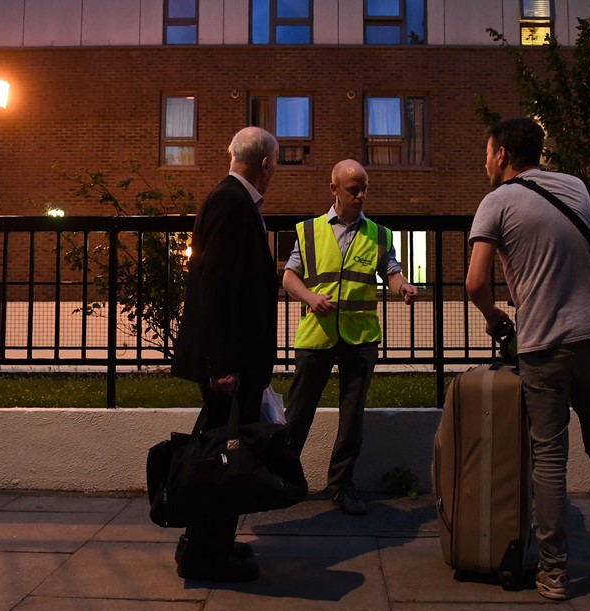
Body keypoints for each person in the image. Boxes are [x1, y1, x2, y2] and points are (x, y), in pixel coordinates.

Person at [464, 118, 590, 600]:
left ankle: (554, 571)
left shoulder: (497, 201)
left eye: (486, 153)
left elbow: (476, 283)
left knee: (549, 456)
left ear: (501, 154)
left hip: (544, 342)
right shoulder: (576, 188)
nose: (484, 162)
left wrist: (495, 318)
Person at [171, 126, 280, 583]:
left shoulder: (231, 200)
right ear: (267, 164)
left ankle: (209, 542)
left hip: (232, 361)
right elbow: (215, 287)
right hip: (228, 364)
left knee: (222, 452)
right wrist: (221, 365)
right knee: (220, 457)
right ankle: (203, 555)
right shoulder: (231, 203)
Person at [283, 159, 417, 516]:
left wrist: (401, 286)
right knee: (298, 412)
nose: (360, 195)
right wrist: (310, 297)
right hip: (317, 334)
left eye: (364, 188)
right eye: (353, 189)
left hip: (360, 337)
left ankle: (341, 485)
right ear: (334, 190)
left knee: (352, 415)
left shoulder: (378, 233)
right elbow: (289, 277)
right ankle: (282, 480)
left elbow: (390, 270)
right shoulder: (309, 231)